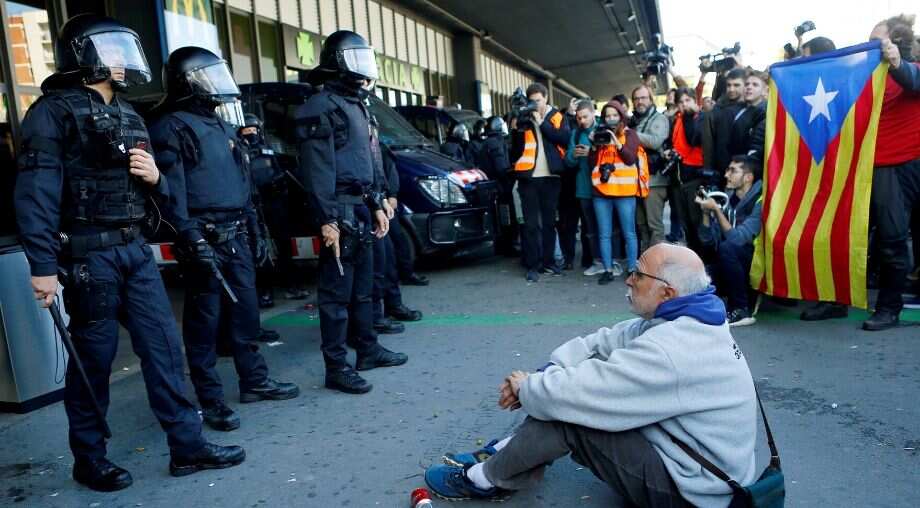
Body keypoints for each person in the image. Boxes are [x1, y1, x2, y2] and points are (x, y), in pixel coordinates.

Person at [14, 14, 244, 491]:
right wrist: (41, 267)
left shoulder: (130, 114)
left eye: (123, 50)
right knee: (92, 363)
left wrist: (156, 178)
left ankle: (188, 445)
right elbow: (35, 194)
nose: (121, 61)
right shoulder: (52, 113)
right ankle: (90, 458)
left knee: (163, 350)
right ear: (85, 54)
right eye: (112, 50)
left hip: (134, 251)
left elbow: (159, 194)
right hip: (87, 259)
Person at [424, 244, 757, 507]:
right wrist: (546, 373)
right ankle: (507, 452)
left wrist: (527, 387)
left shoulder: (672, 347)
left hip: (696, 492)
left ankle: (485, 478)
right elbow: (600, 343)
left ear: (667, 293)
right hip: (696, 463)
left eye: (638, 274)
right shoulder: (683, 319)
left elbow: (577, 394)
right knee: (565, 393)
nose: (628, 279)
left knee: (570, 414)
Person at [149, 47, 300, 432]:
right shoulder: (171, 126)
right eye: (208, 76)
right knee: (205, 324)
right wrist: (189, 236)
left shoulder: (220, 124)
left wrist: (255, 226)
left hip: (235, 233)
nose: (217, 85)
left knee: (247, 314)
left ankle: (255, 381)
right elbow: (172, 192)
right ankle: (210, 399)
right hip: (204, 236)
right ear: (188, 83)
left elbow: (241, 183)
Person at [295, 30, 408, 394]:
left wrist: (376, 203)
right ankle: (336, 367)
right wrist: (327, 219)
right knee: (335, 296)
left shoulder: (356, 104)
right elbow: (317, 169)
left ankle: (368, 349)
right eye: (354, 58)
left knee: (364, 290)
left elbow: (369, 161)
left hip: (360, 207)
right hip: (339, 210)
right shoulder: (319, 106)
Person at [862, 15, 920, 330]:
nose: (870, 46)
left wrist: (897, 62)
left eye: (877, 40)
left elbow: (913, 79)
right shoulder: (871, 79)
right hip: (886, 168)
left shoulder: (909, 70)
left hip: (913, 165)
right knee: (892, 240)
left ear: (895, 44)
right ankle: (888, 308)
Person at [239, 113, 308, 307]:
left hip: (274, 203)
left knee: (283, 246)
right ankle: (265, 292)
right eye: (247, 130)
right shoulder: (239, 153)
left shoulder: (268, 150)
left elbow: (281, 173)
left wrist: (280, 187)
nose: (251, 134)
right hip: (253, 205)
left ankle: (292, 286)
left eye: (254, 130)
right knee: (258, 248)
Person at [510, 83, 571, 282]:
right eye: (532, 101)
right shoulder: (523, 118)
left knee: (548, 223)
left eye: (538, 100)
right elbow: (515, 151)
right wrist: (517, 129)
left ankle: (549, 262)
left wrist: (541, 122)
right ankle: (532, 265)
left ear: (546, 98)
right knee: (530, 224)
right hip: (528, 177)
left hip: (551, 177)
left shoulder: (556, 117)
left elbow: (563, 138)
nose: (535, 104)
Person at [697, 156, 763, 327]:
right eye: (727, 170)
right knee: (698, 277)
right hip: (731, 261)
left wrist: (717, 212)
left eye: (733, 171)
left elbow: (738, 240)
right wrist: (705, 213)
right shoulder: (728, 198)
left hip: (756, 263)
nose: (727, 175)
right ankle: (718, 303)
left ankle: (741, 309)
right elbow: (708, 242)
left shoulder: (761, 201)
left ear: (748, 177)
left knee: (727, 248)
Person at [589, 101, 647, 285]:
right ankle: (607, 269)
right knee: (604, 233)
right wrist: (593, 145)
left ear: (621, 116)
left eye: (615, 115)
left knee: (629, 233)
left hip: (624, 192)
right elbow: (592, 164)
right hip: (601, 191)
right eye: (607, 116)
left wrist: (616, 142)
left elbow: (630, 159)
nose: (611, 119)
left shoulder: (630, 134)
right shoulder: (600, 135)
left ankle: (632, 269)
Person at [665, 88, 706, 257]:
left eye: (687, 100)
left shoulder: (701, 118)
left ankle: (703, 261)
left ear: (695, 101)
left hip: (695, 178)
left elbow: (693, 139)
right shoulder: (678, 120)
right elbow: (674, 142)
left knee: (697, 225)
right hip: (679, 178)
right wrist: (669, 151)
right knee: (686, 224)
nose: (684, 105)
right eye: (681, 102)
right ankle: (694, 258)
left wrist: (689, 116)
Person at [630, 84, 671, 250]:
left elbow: (655, 141)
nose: (640, 101)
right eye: (636, 98)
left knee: (654, 226)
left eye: (643, 98)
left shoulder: (659, 119)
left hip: (655, 180)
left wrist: (629, 134)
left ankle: (657, 266)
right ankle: (646, 263)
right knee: (641, 225)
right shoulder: (633, 121)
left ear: (651, 99)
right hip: (638, 180)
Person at [564, 100, 603, 276]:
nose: (582, 120)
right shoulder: (575, 133)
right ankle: (596, 262)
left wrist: (592, 152)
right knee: (590, 229)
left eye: (585, 116)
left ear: (593, 113)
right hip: (584, 188)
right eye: (579, 118)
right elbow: (568, 162)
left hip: (605, 187)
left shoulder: (604, 128)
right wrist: (573, 154)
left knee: (609, 227)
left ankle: (612, 261)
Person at [702, 68, 746, 188]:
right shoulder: (716, 112)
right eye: (729, 85)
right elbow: (709, 146)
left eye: (736, 85)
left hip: (748, 174)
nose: (732, 89)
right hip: (724, 174)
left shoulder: (754, 108)